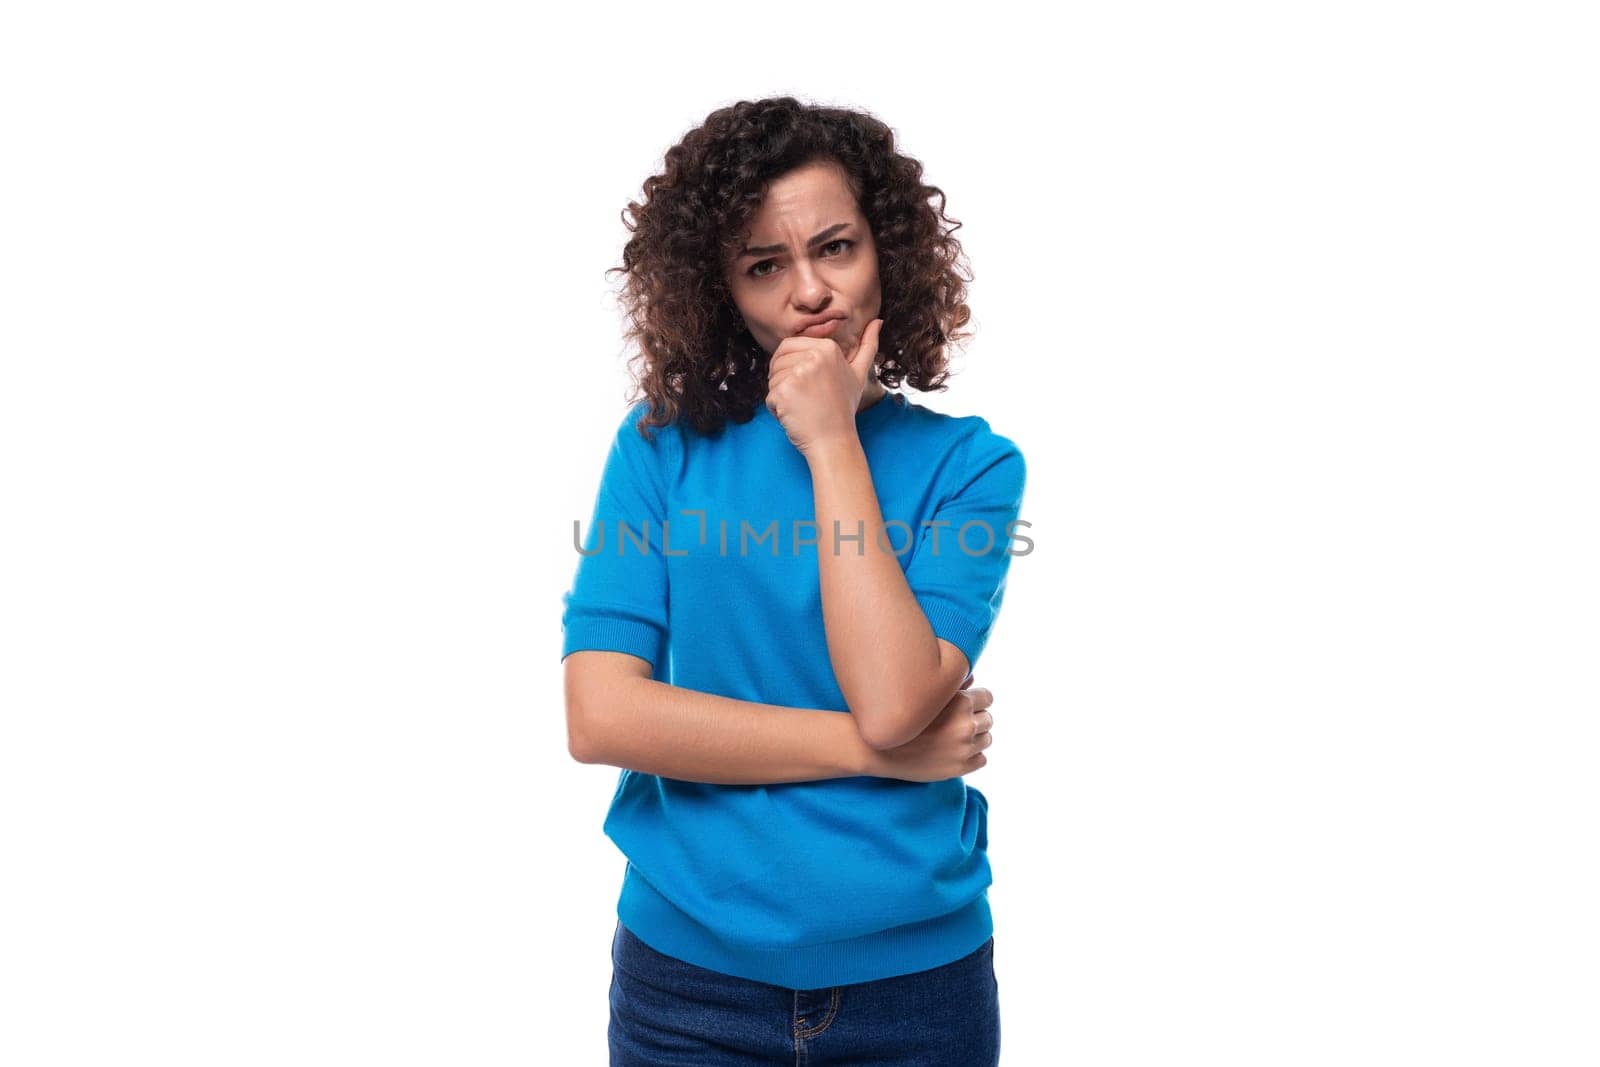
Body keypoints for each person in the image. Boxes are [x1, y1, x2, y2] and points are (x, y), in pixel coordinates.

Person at [560, 96, 1026, 1066]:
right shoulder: (660, 448)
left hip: (914, 987)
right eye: (764, 267)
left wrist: (828, 437)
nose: (810, 291)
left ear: (887, 248)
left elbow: (896, 694)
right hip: (689, 981)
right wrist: (875, 754)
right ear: (719, 289)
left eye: (836, 247)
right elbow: (601, 714)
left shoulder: (972, 466)